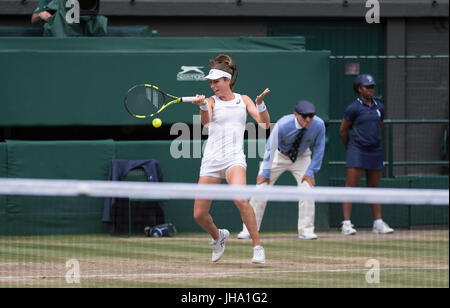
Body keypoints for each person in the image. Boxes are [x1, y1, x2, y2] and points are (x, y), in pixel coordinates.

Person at [190, 54, 271, 264]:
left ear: (227, 80)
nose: (213, 85)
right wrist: (201, 106)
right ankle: (218, 237)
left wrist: (261, 105)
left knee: (240, 199)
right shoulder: (210, 101)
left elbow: (264, 125)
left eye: (216, 81)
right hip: (211, 160)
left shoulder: (243, 100)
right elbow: (206, 123)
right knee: (199, 214)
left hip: (234, 159)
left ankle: (257, 247)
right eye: (211, 82)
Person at [237, 100, 326, 240]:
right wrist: (265, 172)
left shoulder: (319, 124)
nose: (308, 119)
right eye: (305, 116)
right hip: (278, 156)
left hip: (302, 157)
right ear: (296, 115)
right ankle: (249, 229)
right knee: (261, 189)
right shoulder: (283, 125)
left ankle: (306, 231)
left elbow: (320, 147)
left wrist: (311, 171)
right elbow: (270, 147)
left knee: (307, 190)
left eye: (311, 116)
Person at [339, 74, 394, 235]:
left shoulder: (380, 107)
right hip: (357, 150)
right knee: (350, 187)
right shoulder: (353, 108)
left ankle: (378, 223)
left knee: (374, 187)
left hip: (375, 150)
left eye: (372, 87)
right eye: (367, 87)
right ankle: (346, 224)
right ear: (359, 89)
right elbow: (343, 130)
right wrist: (351, 147)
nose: (370, 89)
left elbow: (379, 126)